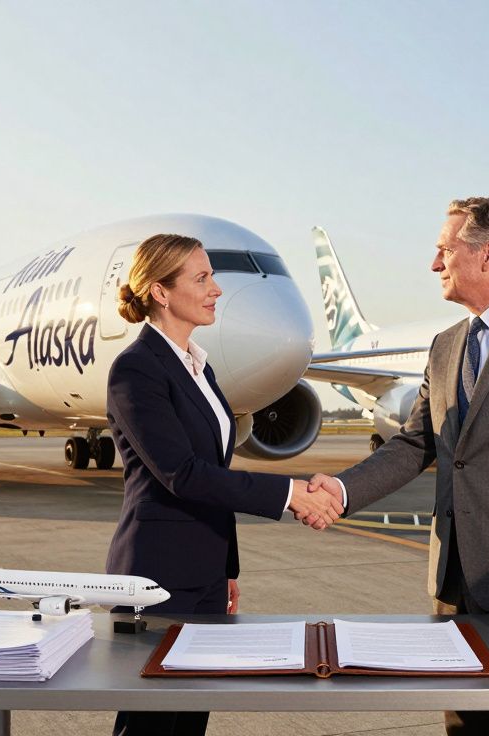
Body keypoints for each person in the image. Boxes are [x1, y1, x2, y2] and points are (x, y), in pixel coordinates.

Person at [306, 198, 489, 736]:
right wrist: (342, 490)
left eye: (444, 250)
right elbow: (415, 444)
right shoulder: (446, 346)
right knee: (465, 716)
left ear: (487, 254)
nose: (434, 264)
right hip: (453, 571)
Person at [106, 233, 341, 736]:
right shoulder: (136, 370)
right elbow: (183, 475)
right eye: (203, 277)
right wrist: (290, 494)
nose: (216, 289)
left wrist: (226, 566)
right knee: (150, 724)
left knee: (190, 719)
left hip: (205, 574)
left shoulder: (198, 366)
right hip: (156, 577)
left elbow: (213, 468)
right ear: (161, 292)